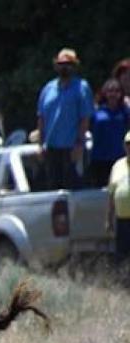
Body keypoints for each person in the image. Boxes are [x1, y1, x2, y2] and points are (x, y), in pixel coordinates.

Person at [37, 48, 94, 190]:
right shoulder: (48, 88)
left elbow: (85, 118)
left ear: (74, 66)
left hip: (72, 148)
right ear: (56, 65)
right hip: (51, 148)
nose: (64, 66)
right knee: (52, 189)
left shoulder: (82, 87)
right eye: (61, 63)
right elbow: (41, 117)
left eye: (68, 63)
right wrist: (40, 144)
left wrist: (79, 144)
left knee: (72, 189)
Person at [89, 78, 130, 186]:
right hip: (99, 159)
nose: (113, 94)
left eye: (117, 91)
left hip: (120, 158)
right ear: (105, 93)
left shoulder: (125, 112)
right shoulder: (96, 111)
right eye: (110, 91)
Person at [108, 132, 130, 268]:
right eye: (128, 144)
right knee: (122, 255)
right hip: (121, 219)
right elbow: (111, 192)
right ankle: (123, 285)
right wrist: (108, 217)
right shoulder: (118, 165)